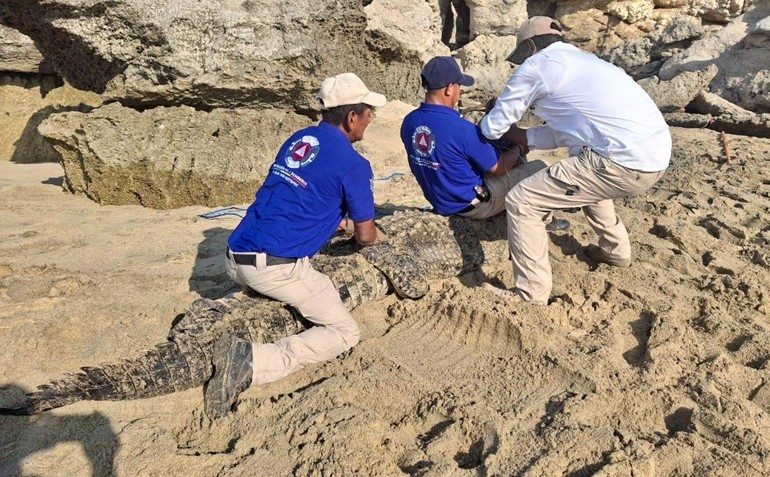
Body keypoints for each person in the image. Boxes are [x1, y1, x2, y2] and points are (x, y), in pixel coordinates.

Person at [204, 73, 387, 419]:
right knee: (345, 332)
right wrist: (374, 234)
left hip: (234, 255)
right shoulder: (354, 165)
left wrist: (337, 221)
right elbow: (365, 237)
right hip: (273, 267)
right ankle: (251, 363)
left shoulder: (299, 139)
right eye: (369, 113)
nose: (371, 119)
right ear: (352, 117)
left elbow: (302, 195)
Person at [479, 16, 672, 305]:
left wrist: (486, 121)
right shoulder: (591, 64)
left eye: (522, 56)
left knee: (522, 200)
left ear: (530, 47)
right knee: (581, 164)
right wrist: (523, 137)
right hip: (654, 159)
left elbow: (493, 128)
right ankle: (616, 251)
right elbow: (571, 133)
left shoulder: (536, 66)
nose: (521, 62)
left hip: (620, 163)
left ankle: (530, 295)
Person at [401, 56, 563, 224]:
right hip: (473, 205)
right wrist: (520, 147)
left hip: (441, 200)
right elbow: (499, 168)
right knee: (541, 169)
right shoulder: (461, 129)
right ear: (449, 88)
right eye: (459, 85)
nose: (460, 91)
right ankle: (544, 221)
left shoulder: (409, 121)